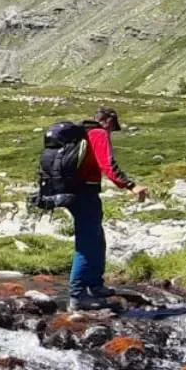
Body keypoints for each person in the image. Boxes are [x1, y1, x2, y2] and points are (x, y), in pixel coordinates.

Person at [67, 107, 148, 310]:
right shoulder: (99, 133)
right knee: (87, 243)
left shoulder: (81, 133)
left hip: (78, 192)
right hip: (84, 193)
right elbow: (108, 166)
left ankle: (95, 285)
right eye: (113, 128)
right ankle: (77, 296)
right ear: (109, 122)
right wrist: (131, 185)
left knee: (96, 238)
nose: (112, 132)